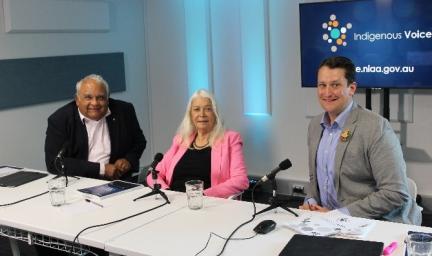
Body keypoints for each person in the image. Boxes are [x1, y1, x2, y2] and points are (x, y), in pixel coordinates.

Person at [300, 56, 422, 225]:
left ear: (351, 88)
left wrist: (338, 215)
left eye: (335, 85)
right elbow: (316, 180)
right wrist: (311, 202)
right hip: (324, 223)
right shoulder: (315, 126)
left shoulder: (376, 127)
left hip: (371, 223)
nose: (327, 93)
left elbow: (395, 192)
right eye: (322, 85)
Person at [147, 89, 249, 198]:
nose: (202, 114)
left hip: (207, 204)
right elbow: (153, 175)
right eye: (196, 109)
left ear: (215, 114)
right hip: (173, 201)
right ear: (190, 115)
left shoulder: (230, 139)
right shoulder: (181, 140)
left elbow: (240, 180)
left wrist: (203, 195)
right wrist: (166, 191)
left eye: (208, 109)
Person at [44, 74, 146, 181]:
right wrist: (101, 169)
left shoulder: (124, 110)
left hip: (118, 180)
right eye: (88, 97)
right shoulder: (60, 120)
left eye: (101, 98)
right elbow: (54, 163)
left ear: (108, 98)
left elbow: (139, 141)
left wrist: (128, 160)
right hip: (79, 182)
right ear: (77, 100)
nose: (95, 103)